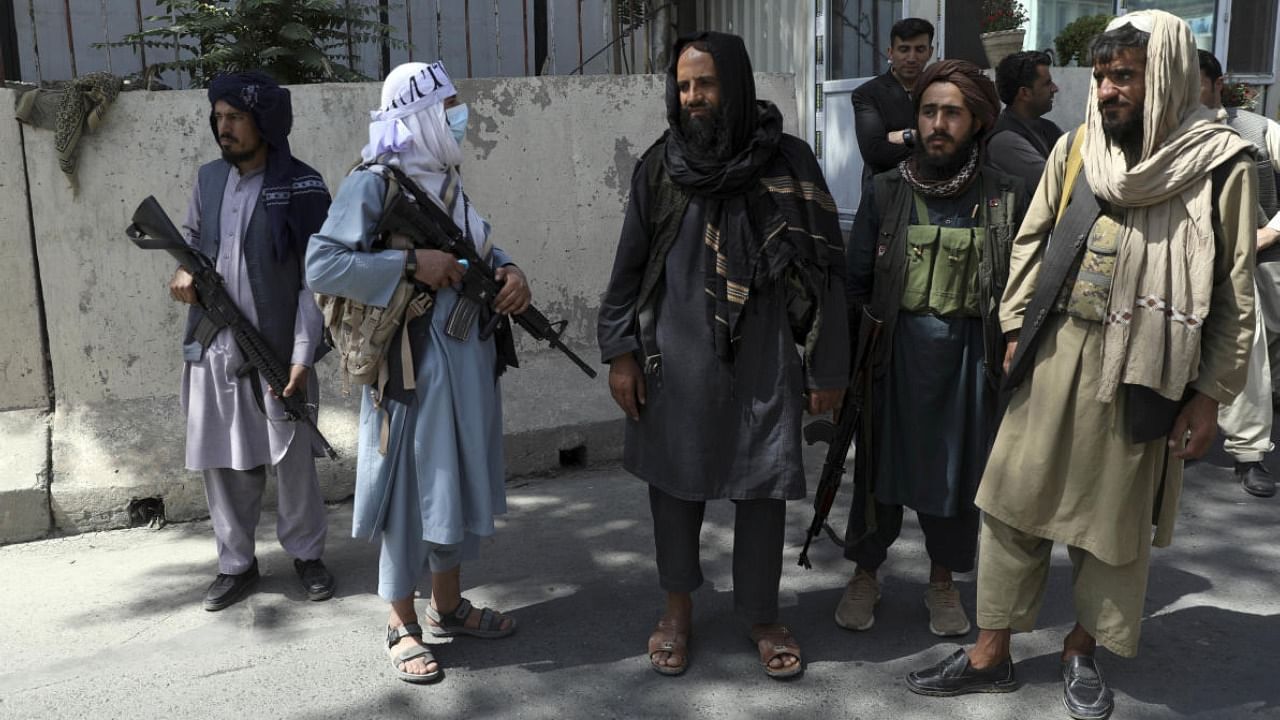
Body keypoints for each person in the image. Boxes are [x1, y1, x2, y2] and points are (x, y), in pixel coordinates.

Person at [907, 13, 1256, 720]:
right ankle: (990, 650)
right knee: (1010, 503)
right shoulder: (1078, 147)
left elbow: (1233, 292)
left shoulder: (1223, 164)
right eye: (1100, 77)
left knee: (1113, 525)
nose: (1105, 92)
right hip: (1055, 351)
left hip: (1149, 368)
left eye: (1122, 76)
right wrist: (1013, 328)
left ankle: (1079, 649)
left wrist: (1210, 398)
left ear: (1163, 77)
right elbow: (1034, 241)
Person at [597, 32, 849, 680]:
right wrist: (621, 353)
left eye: (704, 84)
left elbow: (825, 273)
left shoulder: (787, 162)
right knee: (674, 492)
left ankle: (761, 615)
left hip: (764, 358)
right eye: (683, 87)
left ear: (732, 84)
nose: (692, 99)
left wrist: (825, 369)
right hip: (675, 361)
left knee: (762, 487)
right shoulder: (661, 166)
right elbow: (626, 271)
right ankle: (677, 608)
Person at [306, 61, 527, 684]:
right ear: (420, 112)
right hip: (410, 370)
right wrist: (410, 268)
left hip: (464, 366)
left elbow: (477, 245)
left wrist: (511, 273)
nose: (460, 113)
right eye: (449, 103)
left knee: (451, 484)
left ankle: (448, 605)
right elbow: (321, 264)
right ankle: (400, 620)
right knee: (409, 491)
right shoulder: (375, 184)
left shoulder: (444, 178)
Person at [837, 60, 1025, 638]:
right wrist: (845, 369)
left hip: (969, 364)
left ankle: (942, 581)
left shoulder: (1005, 197)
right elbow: (857, 283)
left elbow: (1024, 286)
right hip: (893, 360)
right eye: (928, 111)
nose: (937, 124)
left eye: (952, 113)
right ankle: (866, 573)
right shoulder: (887, 191)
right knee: (877, 471)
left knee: (956, 476)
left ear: (978, 121)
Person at [169, 71, 336, 613]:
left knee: (291, 461)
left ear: (264, 122)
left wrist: (302, 357)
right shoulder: (207, 180)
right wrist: (183, 269)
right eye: (218, 117)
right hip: (214, 343)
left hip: (279, 351)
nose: (224, 128)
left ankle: (307, 556)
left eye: (235, 118)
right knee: (225, 461)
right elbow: (191, 240)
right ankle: (235, 564)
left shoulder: (304, 186)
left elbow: (320, 281)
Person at [1201, 49, 1280, 498]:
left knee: (1245, 350)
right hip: (1183, 262)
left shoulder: (1258, 130)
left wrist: (1270, 231)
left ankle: (1249, 454)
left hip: (1243, 263)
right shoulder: (1164, 135)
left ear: (1218, 83)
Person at [851, 18, 936, 184]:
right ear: (891, 52)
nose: (912, 58)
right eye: (904, 49)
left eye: (920, 49)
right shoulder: (867, 94)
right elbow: (874, 152)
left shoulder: (941, 90)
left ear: (930, 52)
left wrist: (905, 137)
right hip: (887, 191)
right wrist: (931, 147)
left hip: (935, 190)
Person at [988, 50, 1063, 199]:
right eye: (1047, 83)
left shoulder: (1048, 129)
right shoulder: (1004, 141)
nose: (1055, 88)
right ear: (1024, 93)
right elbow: (1054, 186)